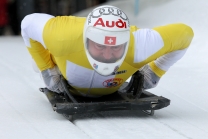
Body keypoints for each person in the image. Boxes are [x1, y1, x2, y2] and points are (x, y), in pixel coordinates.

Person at [21, 5, 194, 97]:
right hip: (65, 52)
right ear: (87, 40)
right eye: (100, 46)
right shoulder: (61, 36)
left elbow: (186, 34)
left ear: (126, 42)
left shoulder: (140, 45)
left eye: (116, 47)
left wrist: (153, 73)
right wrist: (47, 69)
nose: (107, 55)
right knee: (37, 62)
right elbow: (27, 24)